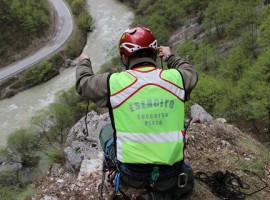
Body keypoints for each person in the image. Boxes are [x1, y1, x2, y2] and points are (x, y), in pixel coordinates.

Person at [76, 26, 198, 200]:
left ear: (125, 57)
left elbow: (83, 83)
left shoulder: (113, 83)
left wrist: (84, 61)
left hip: (131, 176)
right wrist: (170, 57)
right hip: (170, 174)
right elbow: (190, 72)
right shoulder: (177, 79)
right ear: (155, 54)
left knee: (106, 132)